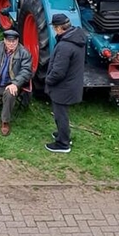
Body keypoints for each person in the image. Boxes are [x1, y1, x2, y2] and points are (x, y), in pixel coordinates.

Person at [44, 13, 85, 154]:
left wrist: (48, 80)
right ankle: (62, 135)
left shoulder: (65, 46)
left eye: (55, 28)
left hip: (63, 87)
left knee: (60, 115)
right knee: (62, 114)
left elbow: (58, 72)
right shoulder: (76, 38)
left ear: (59, 28)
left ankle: (63, 144)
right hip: (72, 84)